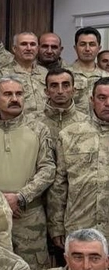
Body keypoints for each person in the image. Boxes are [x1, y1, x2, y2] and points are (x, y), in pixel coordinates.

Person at [0, 76, 55, 270]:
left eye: (19, 94)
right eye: (8, 94)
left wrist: (20, 197)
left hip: (29, 216)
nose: (14, 99)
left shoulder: (39, 129)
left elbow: (48, 168)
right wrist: (0, 200)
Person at [49, 76, 109, 245]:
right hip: (80, 224)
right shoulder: (70, 135)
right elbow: (59, 184)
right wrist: (56, 225)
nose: (107, 103)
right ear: (92, 100)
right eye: (102, 98)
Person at [0, 32, 48, 114]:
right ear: (14, 48)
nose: (29, 48)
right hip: (18, 120)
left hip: (45, 120)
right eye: (24, 44)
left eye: (32, 44)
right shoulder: (3, 73)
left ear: (37, 49)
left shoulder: (44, 72)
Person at [42, 66, 81, 136]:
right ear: (46, 91)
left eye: (65, 86)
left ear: (73, 90)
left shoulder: (86, 122)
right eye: (54, 86)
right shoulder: (33, 122)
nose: (60, 91)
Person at [69, 26, 103, 104]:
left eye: (92, 44)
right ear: (75, 48)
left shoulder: (106, 77)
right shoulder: (64, 75)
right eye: (82, 44)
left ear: (99, 48)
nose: (87, 49)